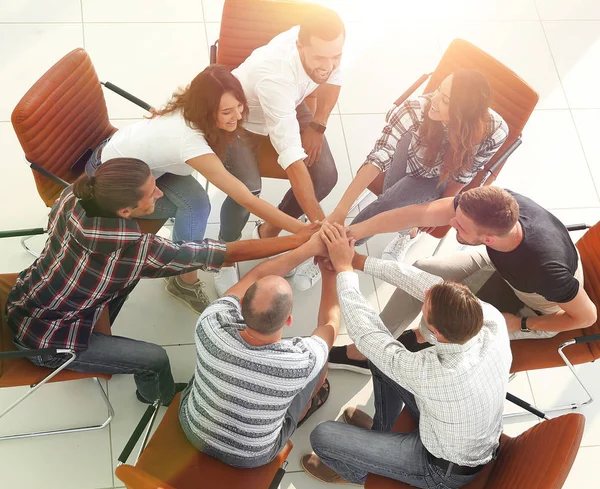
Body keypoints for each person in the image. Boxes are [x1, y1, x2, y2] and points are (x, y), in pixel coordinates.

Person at [6, 159, 318, 406]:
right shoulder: (135, 249)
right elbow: (224, 253)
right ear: (125, 210)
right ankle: (157, 397)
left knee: (128, 279)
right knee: (155, 359)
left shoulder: (73, 196)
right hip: (48, 343)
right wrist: (297, 241)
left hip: (27, 296)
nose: (159, 193)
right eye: (153, 191)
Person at [301, 223, 511, 488]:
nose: (423, 294)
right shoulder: (490, 318)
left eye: (426, 304)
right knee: (383, 361)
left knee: (323, 436)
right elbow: (424, 282)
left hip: (441, 467)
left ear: (436, 332)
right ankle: (382, 433)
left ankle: (358, 471)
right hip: (450, 422)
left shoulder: (434, 374)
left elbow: (367, 335)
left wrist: (343, 271)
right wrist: (356, 260)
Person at [86, 65, 307, 309]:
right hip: (115, 179)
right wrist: (302, 231)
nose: (237, 116)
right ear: (206, 110)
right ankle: (184, 280)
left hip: (138, 161)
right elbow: (246, 199)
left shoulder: (189, 97)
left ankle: (181, 270)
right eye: (226, 112)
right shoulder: (189, 142)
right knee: (195, 209)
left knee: (199, 203)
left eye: (239, 106)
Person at [329, 186, 597, 373]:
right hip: (504, 268)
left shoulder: (546, 269)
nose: (450, 224)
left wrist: (521, 323)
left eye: (459, 226)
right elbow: (419, 213)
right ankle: (366, 352)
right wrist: (349, 235)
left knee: (440, 322)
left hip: (537, 308)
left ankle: (413, 346)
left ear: (488, 239)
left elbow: (586, 317)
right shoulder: (497, 203)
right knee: (424, 268)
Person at [295, 69, 508, 290]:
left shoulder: (495, 131)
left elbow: (464, 174)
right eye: (439, 90)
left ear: (463, 113)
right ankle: (407, 230)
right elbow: (379, 156)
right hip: (411, 153)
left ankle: (334, 250)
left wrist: (440, 208)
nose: (433, 99)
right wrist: (341, 210)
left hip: (437, 176)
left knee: (385, 204)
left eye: (444, 100)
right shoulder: (416, 109)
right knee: (390, 198)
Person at [178, 232, 340, 468]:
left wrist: (307, 249)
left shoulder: (211, 321)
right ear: (289, 321)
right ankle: (307, 407)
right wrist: (329, 272)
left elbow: (256, 274)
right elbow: (329, 326)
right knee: (318, 370)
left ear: (241, 304)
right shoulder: (301, 362)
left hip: (193, 430)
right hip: (251, 458)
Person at [226, 7, 345, 291]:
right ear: (299, 46)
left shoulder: (328, 46)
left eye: (335, 57)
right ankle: (226, 251)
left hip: (289, 107)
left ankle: (269, 231)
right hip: (241, 123)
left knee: (326, 176)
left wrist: (317, 125)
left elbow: (335, 79)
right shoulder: (276, 76)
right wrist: (321, 226)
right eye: (320, 58)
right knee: (247, 190)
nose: (328, 66)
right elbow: (292, 160)